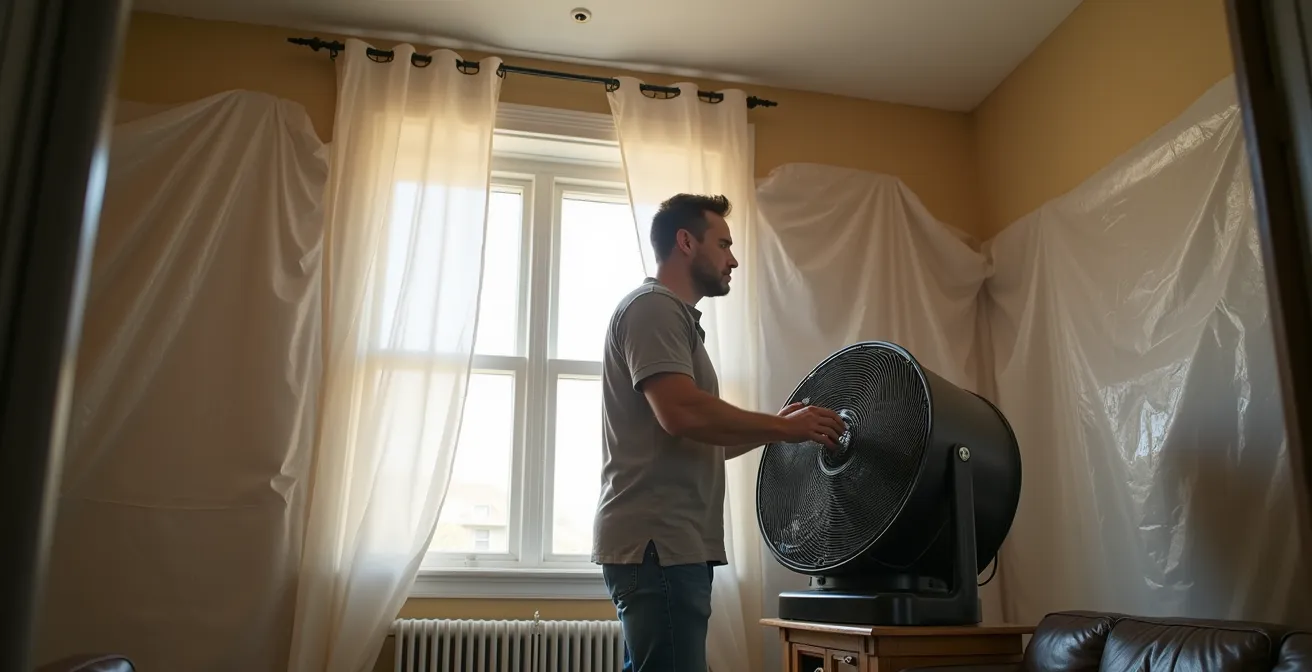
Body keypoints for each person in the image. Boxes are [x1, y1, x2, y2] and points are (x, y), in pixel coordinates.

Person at [592, 193, 846, 672]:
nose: (733, 260)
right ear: (686, 242)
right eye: (724, 244)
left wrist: (777, 430)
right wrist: (781, 426)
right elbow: (681, 413)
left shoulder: (671, 318)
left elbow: (697, 435)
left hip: (669, 546)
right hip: (660, 544)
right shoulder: (654, 309)